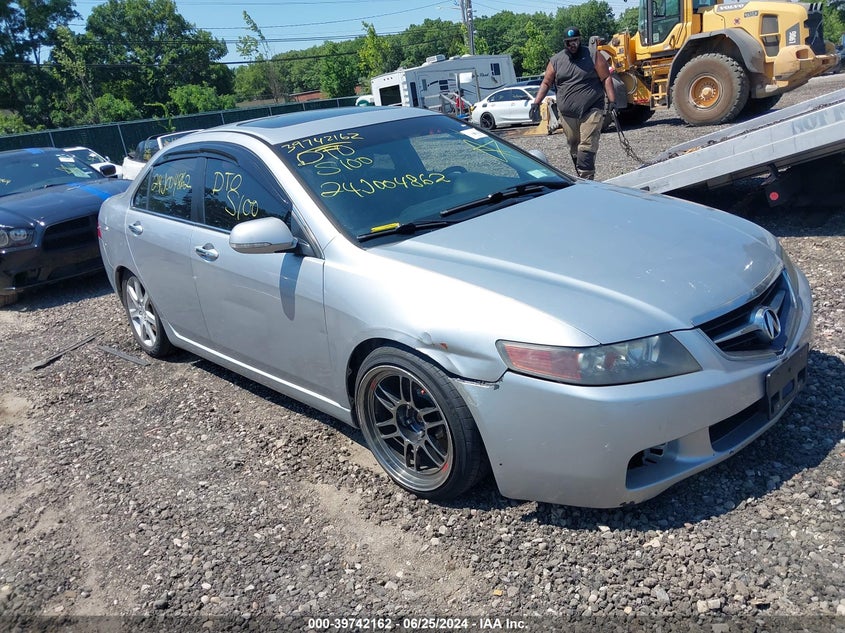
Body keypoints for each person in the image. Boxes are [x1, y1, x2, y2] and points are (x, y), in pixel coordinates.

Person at [529, 27, 616, 179]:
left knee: (587, 146)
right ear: (565, 43)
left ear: (579, 40)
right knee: (574, 146)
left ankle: (587, 180)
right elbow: (546, 83)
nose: (572, 44)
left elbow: (606, 77)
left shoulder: (593, 55)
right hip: (567, 114)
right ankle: (581, 176)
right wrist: (536, 103)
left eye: (575, 41)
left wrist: (612, 101)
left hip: (591, 109)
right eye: (569, 42)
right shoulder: (556, 61)